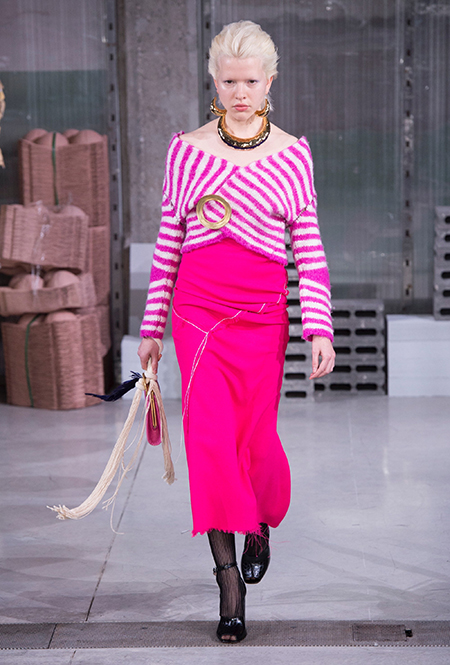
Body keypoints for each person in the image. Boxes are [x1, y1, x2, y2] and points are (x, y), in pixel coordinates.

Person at [138, 20, 335, 643]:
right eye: (229, 82)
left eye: (251, 81)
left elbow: (308, 246)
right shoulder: (186, 151)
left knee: (256, 441)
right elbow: (169, 240)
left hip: (262, 315)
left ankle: (260, 519)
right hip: (197, 313)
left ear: (270, 81)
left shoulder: (292, 154)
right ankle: (229, 585)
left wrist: (319, 328)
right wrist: (151, 327)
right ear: (214, 81)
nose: (240, 93)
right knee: (210, 442)